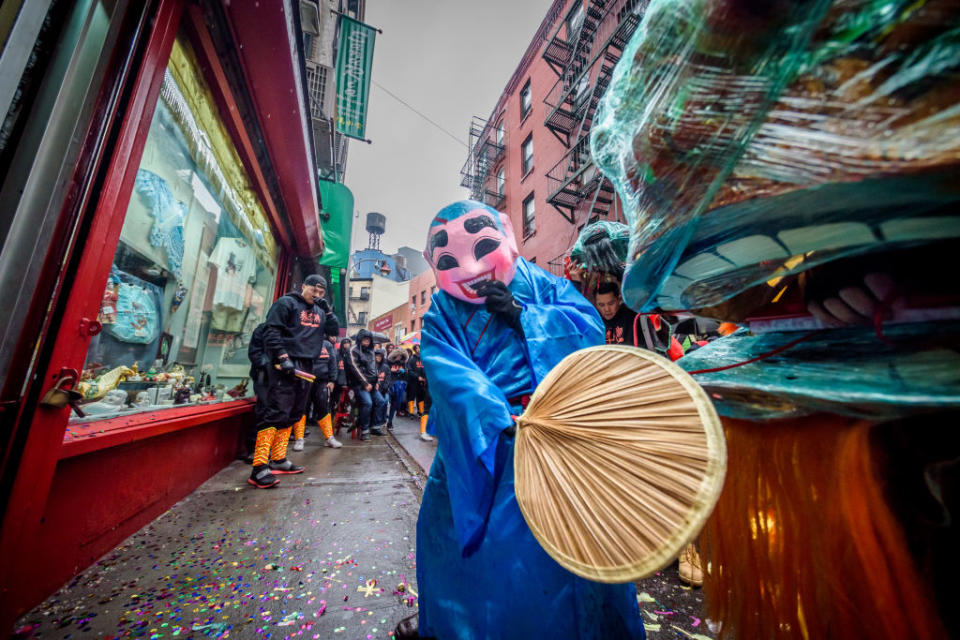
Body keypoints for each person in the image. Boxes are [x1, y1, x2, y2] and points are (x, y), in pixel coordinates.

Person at [395, 200, 643, 639]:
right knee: (463, 541)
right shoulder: (440, 315)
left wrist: (523, 316)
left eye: (483, 245)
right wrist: (497, 417)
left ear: (507, 234)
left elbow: (589, 330)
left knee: (572, 547)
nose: (470, 266)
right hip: (490, 441)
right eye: (450, 260)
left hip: (557, 433)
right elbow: (450, 374)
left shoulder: (544, 285)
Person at [250, 274, 338, 488]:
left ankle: (279, 459)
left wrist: (328, 311)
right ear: (304, 286)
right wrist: (282, 357)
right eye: (313, 289)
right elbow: (271, 332)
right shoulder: (286, 303)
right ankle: (259, 467)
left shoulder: (319, 310)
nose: (316, 294)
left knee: (294, 413)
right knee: (275, 412)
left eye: (321, 291)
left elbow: (333, 332)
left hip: (308, 366)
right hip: (285, 365)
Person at [595, 282, 684, 359]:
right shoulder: (595, 322)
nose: (606, 309)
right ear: (595, 304)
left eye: (611, 303)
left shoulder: (634, 315)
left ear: (619, 299)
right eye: (601, 305)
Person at [295, 333, 341, 450]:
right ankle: (299, 439)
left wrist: (332, 380)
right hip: (304, 380)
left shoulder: (327, 345)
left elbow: (333, 363)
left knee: (324, 407)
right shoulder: (303, 341)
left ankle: (329, 438)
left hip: (322, 381)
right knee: (302, 408)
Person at [344, 329, 386, 440]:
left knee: (381, 401)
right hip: (358, 384)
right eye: (364, 338)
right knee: (368, 403)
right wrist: (365, 383)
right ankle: (364, 430)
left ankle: (375, 427)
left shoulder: (371, 351)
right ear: (360, 339)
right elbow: (355, 368)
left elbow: (374, 368)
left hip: (371, 384)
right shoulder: (353, 350)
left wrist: (376, 382)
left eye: (368, 339)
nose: (367, 340)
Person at [386, 347, 408, 428]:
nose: (399, 357)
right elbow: (386, 372)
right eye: (398, 355)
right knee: (386, 402)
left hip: (399, 386)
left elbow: (405, 374)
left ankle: (390, 422)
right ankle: (384, 417)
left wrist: (404, 372)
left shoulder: (403, 363)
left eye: (401, 356)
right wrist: (390, 371)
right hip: (390, 385)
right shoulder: (389, 362)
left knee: (395, 405)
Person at [405, 344, 426, 416]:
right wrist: (417, 377)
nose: (418, 350)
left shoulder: (423, 358)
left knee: (421, 397)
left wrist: (424, 377)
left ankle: (420, 411)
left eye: (419, 348)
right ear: (414, 350)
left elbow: (425, 369)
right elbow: (410, 371)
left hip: (422, 381)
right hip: (413, 381)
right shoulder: (411, 359)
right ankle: (410, 412)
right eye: (416, 348)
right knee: (412, 396)